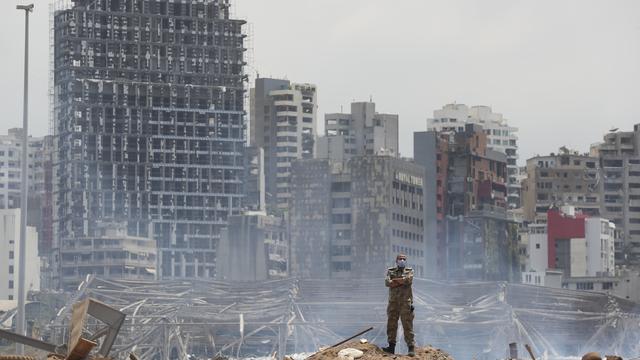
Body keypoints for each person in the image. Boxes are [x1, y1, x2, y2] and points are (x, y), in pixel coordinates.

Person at [382, 253, 415, 357]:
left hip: (405, 302)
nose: (402, 260)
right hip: (393, 303)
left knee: (407, 325)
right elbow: (387, 282)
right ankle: (391, 347)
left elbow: (408, 280)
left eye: (404, 259)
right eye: (400, 259)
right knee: (391, 325)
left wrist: (395, 281)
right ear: (396, 261)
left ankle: (411, 348)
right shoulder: (390, 271)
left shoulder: (409, 271)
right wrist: (401, 281)